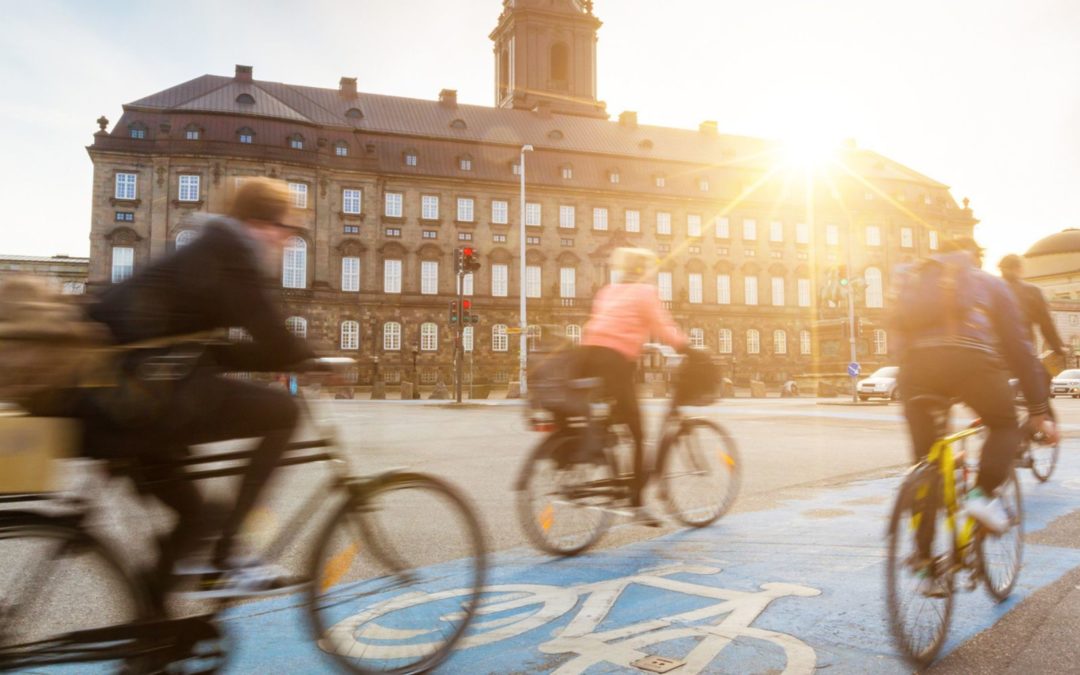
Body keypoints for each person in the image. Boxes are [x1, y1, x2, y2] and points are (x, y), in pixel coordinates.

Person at [76, 177, 315, 608]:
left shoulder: (211, 248)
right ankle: (228, 557)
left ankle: (151, 643)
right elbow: (271, 335)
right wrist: (307, 357)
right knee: (283, 411)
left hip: (116, 398)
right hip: (135, 399)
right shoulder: (231, 252)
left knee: (197, 518)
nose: (289, 237)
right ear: (260, 222)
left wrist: (286, 357)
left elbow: (216, 352)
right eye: (286, 226)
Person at [891, 237, 1059, 541]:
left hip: (916, 369)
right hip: (972, 362)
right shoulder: (988, 283)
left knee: (925, 462)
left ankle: (925, 563)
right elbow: (1019, 348)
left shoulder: (914, 279)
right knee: (1005, 424)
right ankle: (981, 496)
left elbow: (897, 331)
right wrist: (1037, 408)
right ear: (973, 257)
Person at [579, 247, 688, 525]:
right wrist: (688, 347)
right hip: (615, 363)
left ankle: (600, 453)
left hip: (588, 357)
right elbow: (663, 327)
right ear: (643, 270)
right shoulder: (644, 293)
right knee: (638, 434)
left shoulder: (607, 291)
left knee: (610, 420)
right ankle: (637, 504)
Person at [999, 253, 1067, 361]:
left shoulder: (989, 289)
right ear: (1019, 268)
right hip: (1023, 350)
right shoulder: (1031, 291)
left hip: (995, 352)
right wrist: (1058, 347)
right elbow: (1046, 324)